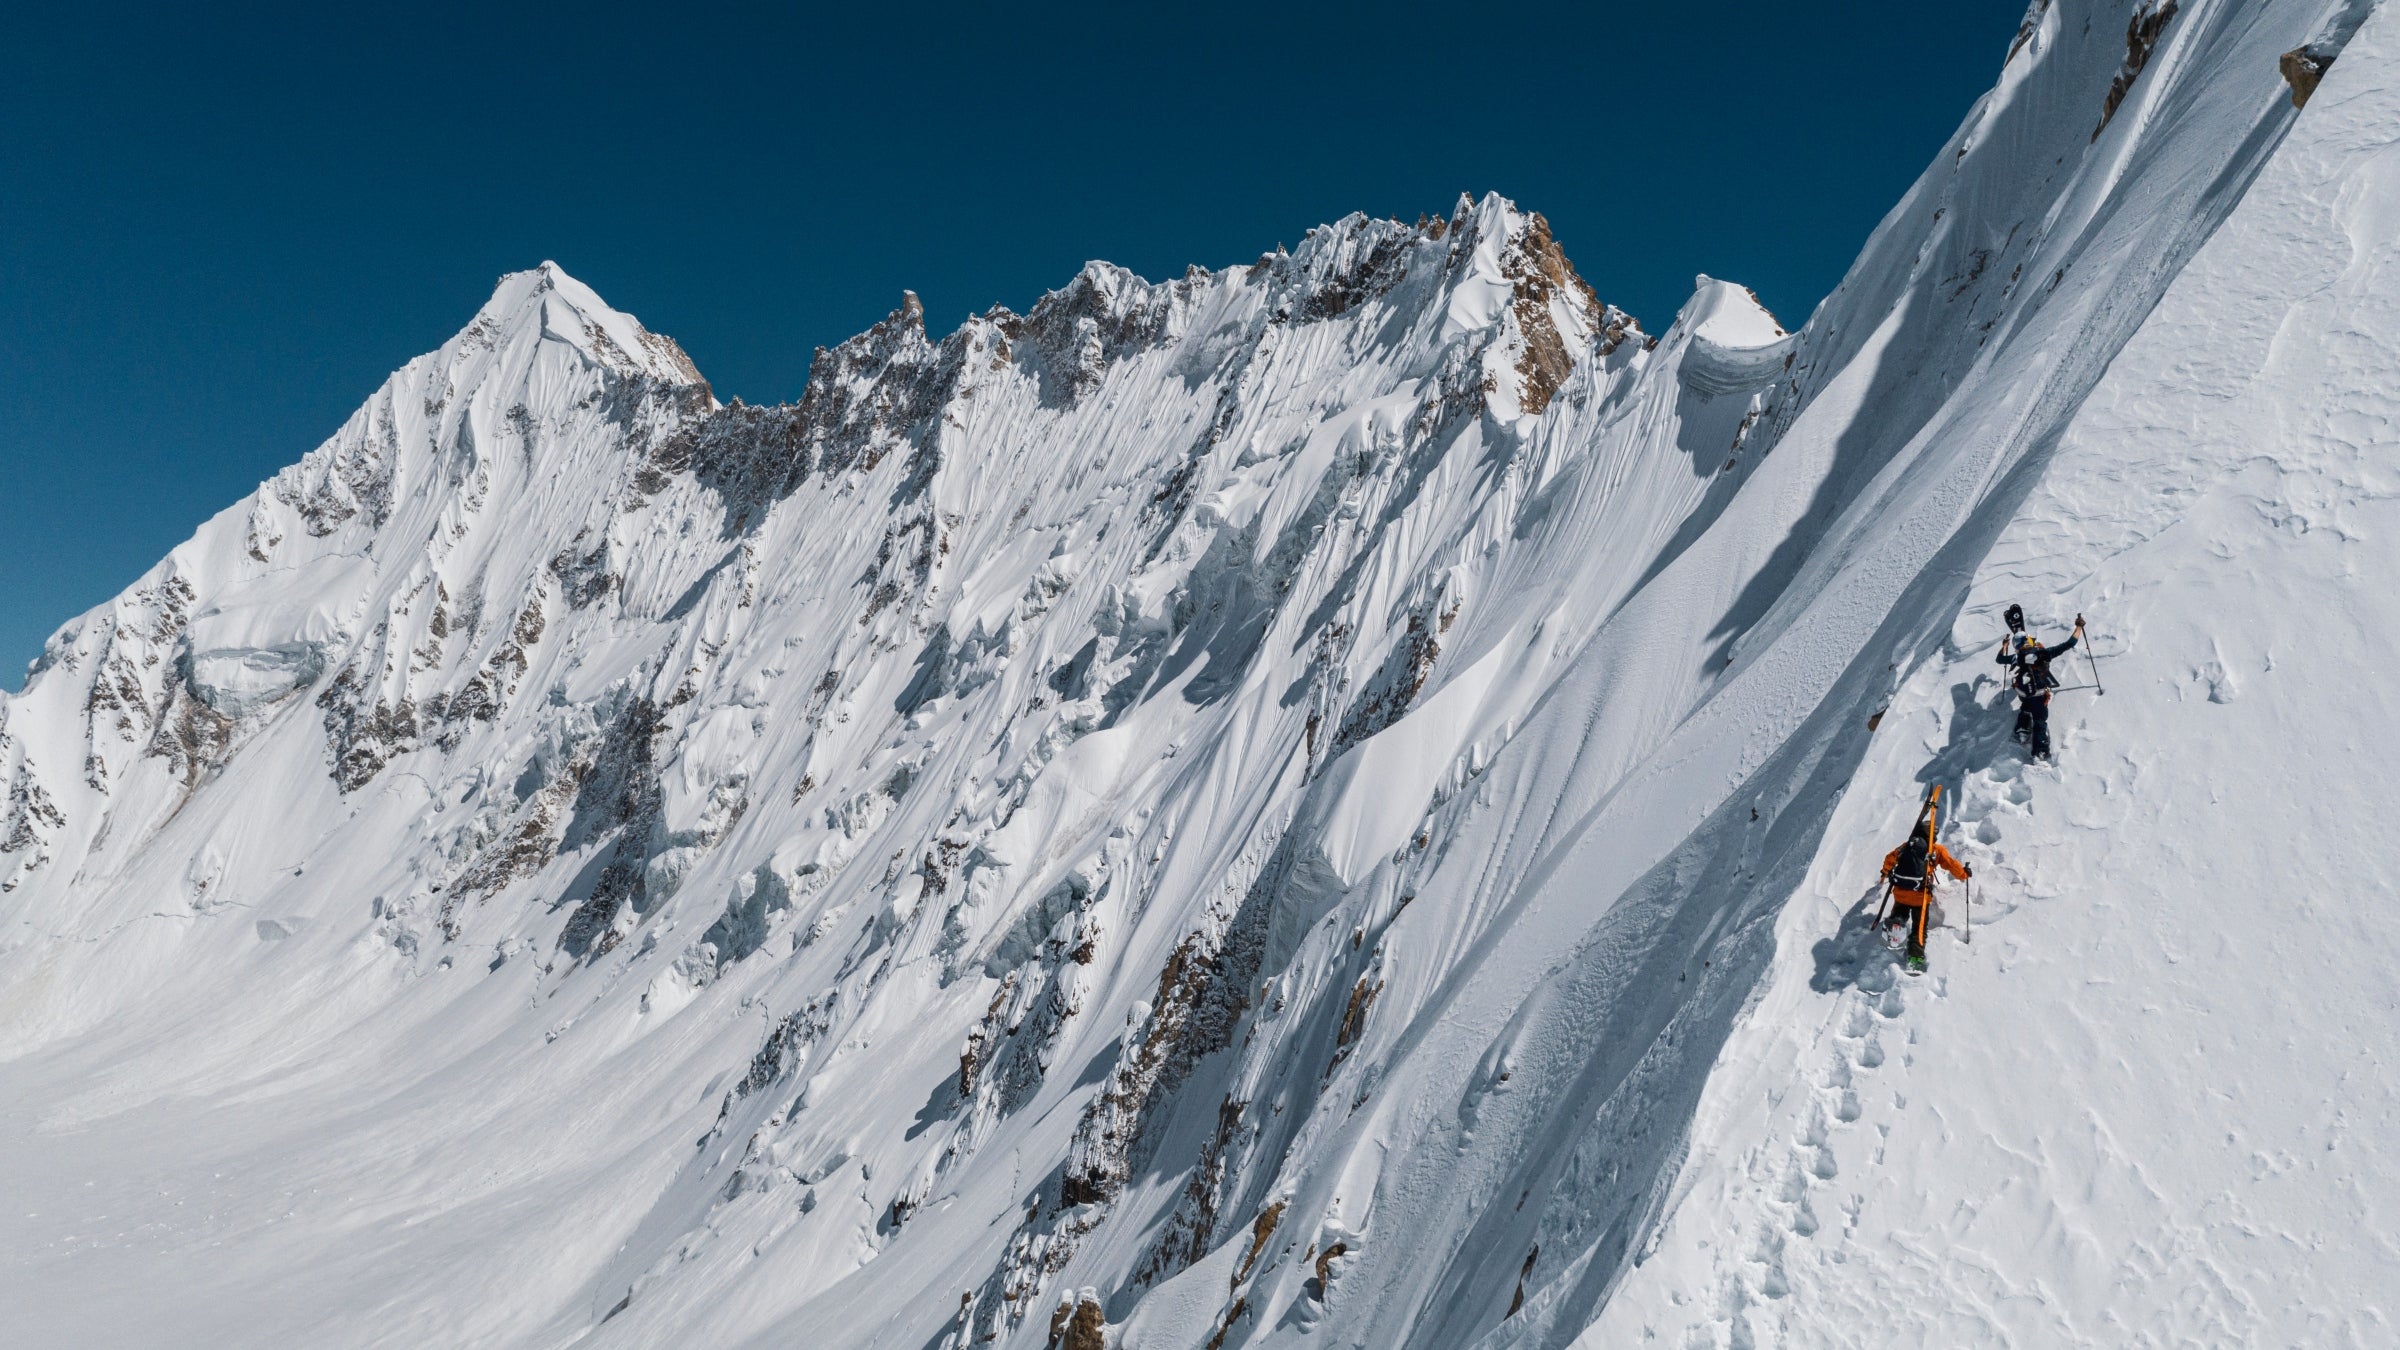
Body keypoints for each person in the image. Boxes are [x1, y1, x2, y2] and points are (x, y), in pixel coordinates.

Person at [1997, 613, 2085, 760]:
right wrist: (2079, 627)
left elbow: (1999, 659)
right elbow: (2070, 643)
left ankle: (2022, 729)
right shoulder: (2043, 653)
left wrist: (2004, 646)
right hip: (2038, 693)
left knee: (2026, 706)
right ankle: (2040, 751)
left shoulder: (2016, 657)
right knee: (2040, 719)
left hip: (2022, 692)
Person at [1881, 828, 1969, 971]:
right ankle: (1915, 957)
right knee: (1919, 928)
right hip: (1920, 897)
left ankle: (1896, 925)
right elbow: (1951, 864)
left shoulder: (1906, 846)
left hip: (1901, 892)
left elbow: (1889, 858)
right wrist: (1964, 874)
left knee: (1900, 911)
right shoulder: (1936, 850)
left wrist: (1885, 872)